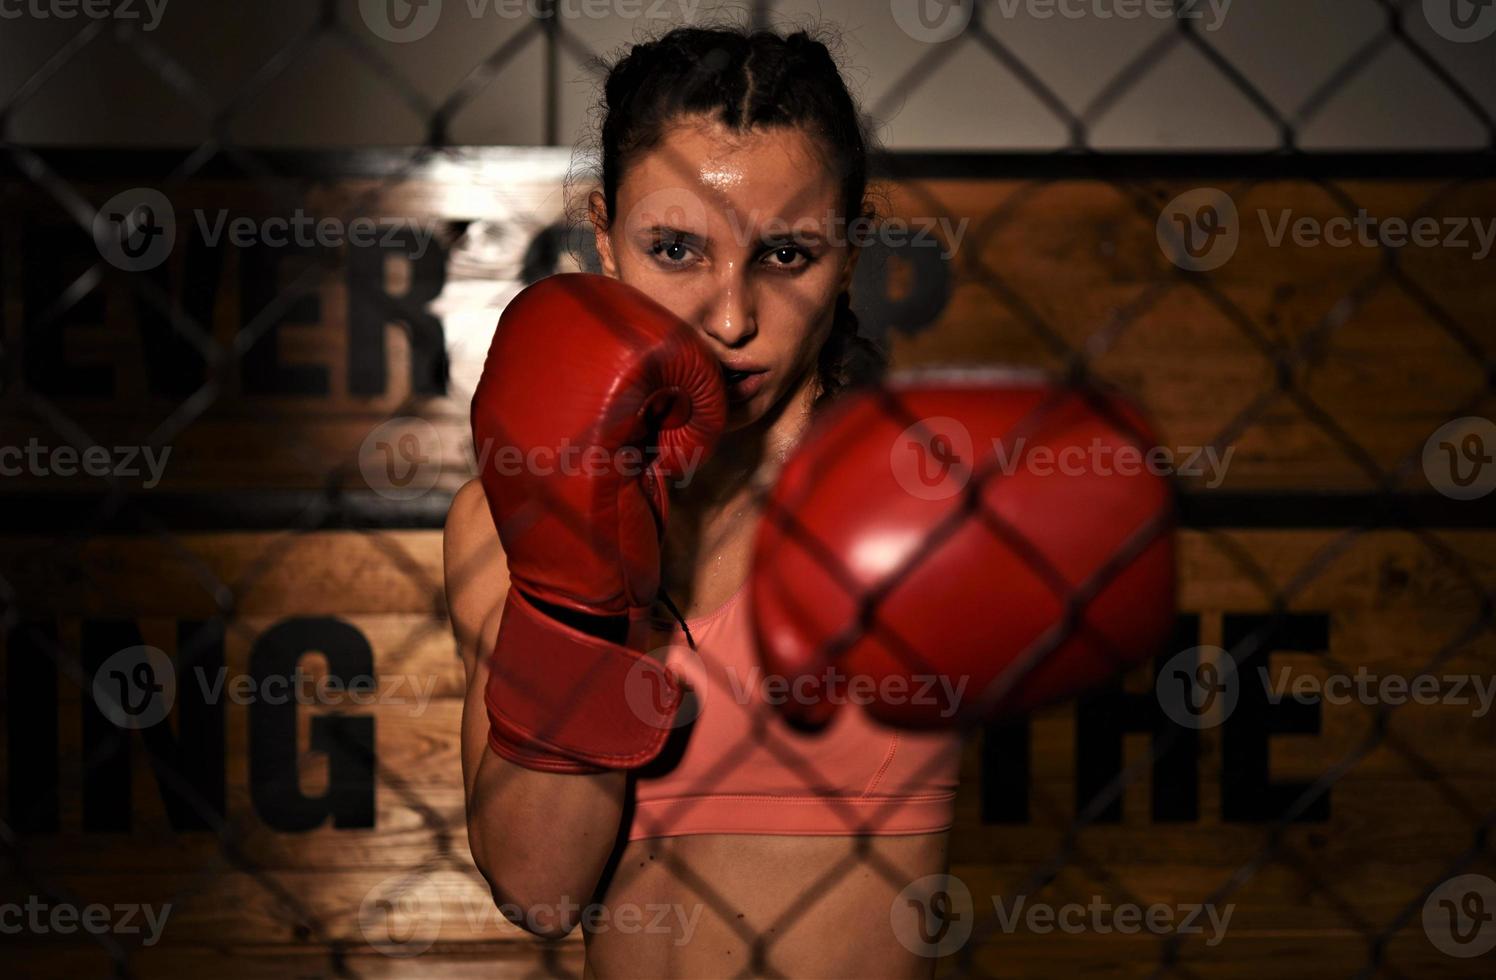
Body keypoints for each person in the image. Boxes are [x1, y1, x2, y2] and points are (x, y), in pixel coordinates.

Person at [444, 24, 966, 978]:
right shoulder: (501, 519)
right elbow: (538, 887)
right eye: (677, 248)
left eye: (787, 255)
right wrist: (577, 581)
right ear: (603, 236)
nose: (730, 317)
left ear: (849, 253)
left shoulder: (920, 512)